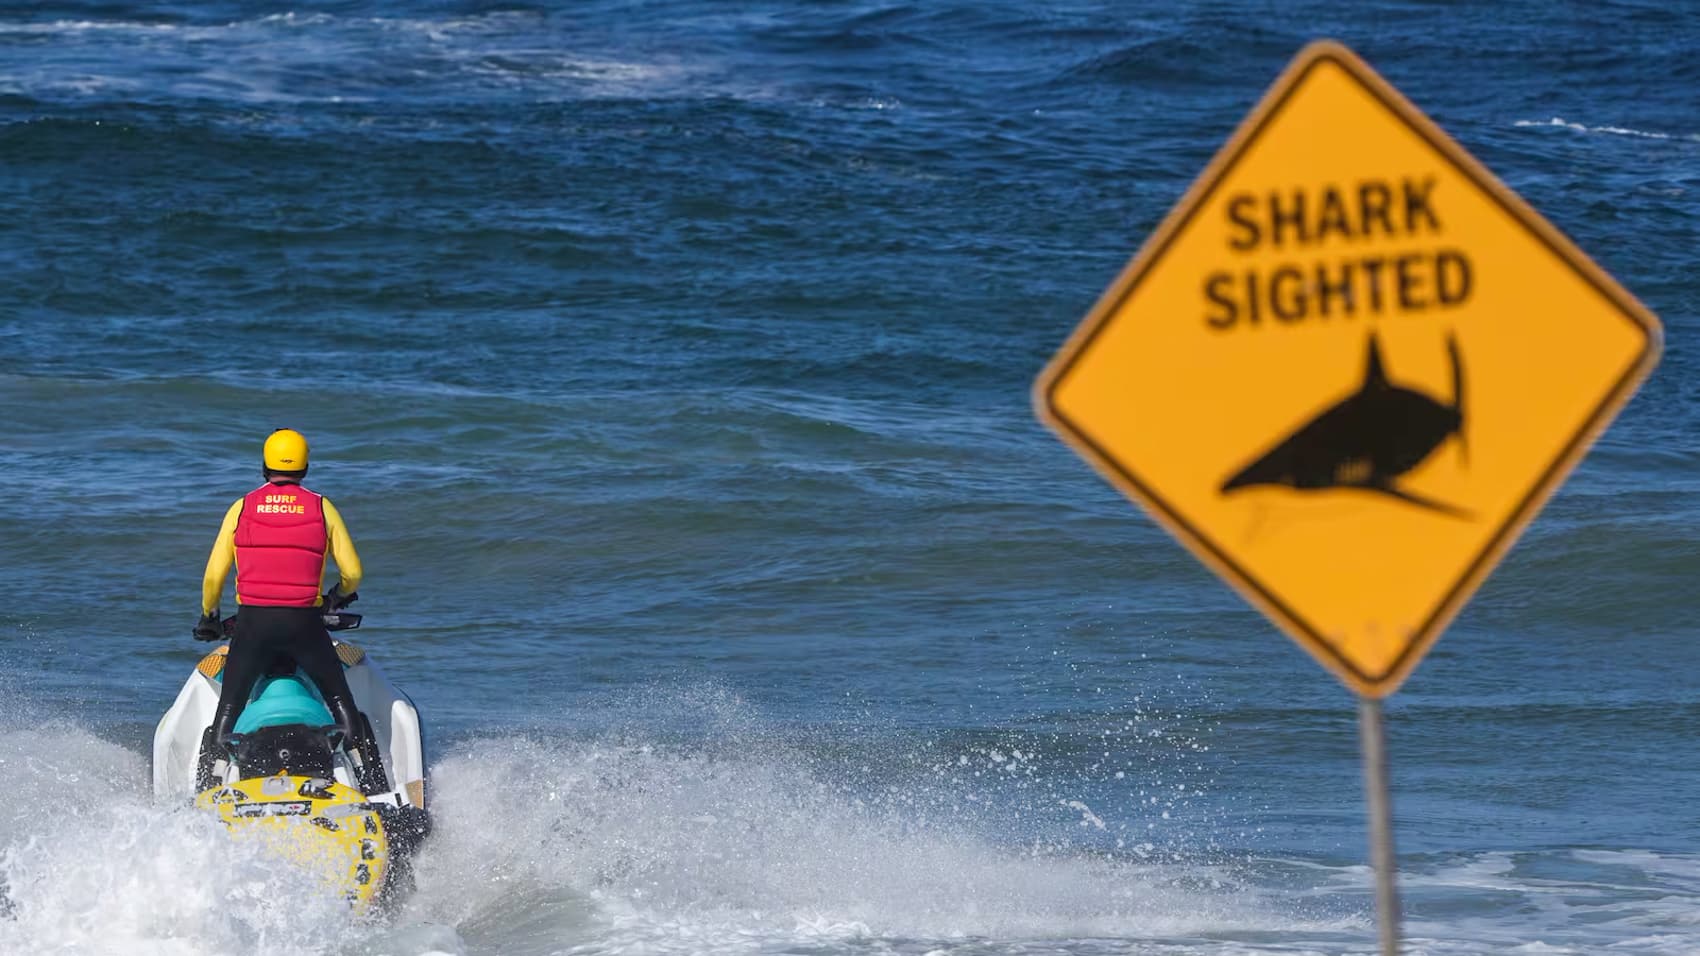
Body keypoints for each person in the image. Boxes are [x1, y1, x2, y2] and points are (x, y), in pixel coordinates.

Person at [195, 428, 382, 790]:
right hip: (304, 626)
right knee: (343, 705)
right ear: (305, 468)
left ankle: (206, 791)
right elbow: (353, 572)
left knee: (227, 714)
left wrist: (209, 618)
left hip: (252, 626)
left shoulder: (243, 506)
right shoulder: (321, 506)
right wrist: (337, 596)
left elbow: (213, 577)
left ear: (264, 466)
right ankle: (375, 789)